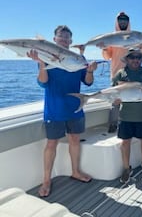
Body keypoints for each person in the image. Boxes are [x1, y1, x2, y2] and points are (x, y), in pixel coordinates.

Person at [27, 25, 98, 197]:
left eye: (67, 38)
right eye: (61, 37)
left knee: (74, 140)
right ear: (55, 39)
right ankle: (46, 181)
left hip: (75, 108)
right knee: (52, 143)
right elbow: (43, 82)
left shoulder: (78, 58)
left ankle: (75, 171)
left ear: (71, 41)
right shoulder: (46, 57)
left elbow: (88, 82)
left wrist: (89, 70)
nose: (65, 40)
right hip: (54, 109)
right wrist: (41, 64)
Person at [112, 48, 142, 184]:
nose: (135, 60)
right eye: (132, 57)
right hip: (125, 116)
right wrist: (115, 100)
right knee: (125, 142)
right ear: (127, 59)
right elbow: (112, 91)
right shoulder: (120, 74)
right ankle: (126, 168)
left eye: (138, 57)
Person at [102, 12, 131, 133]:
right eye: (120, 20)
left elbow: (140, 54)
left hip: (132, 75)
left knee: (130, 100)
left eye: (125, 20)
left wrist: (141, 46)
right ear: (117, 22)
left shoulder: (133, 36)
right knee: (115, 101)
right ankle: (113, 125)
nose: (123, 22)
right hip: (116, 74)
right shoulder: (112, 38)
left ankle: (127, 124)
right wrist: (104, 48)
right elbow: (107, 56)